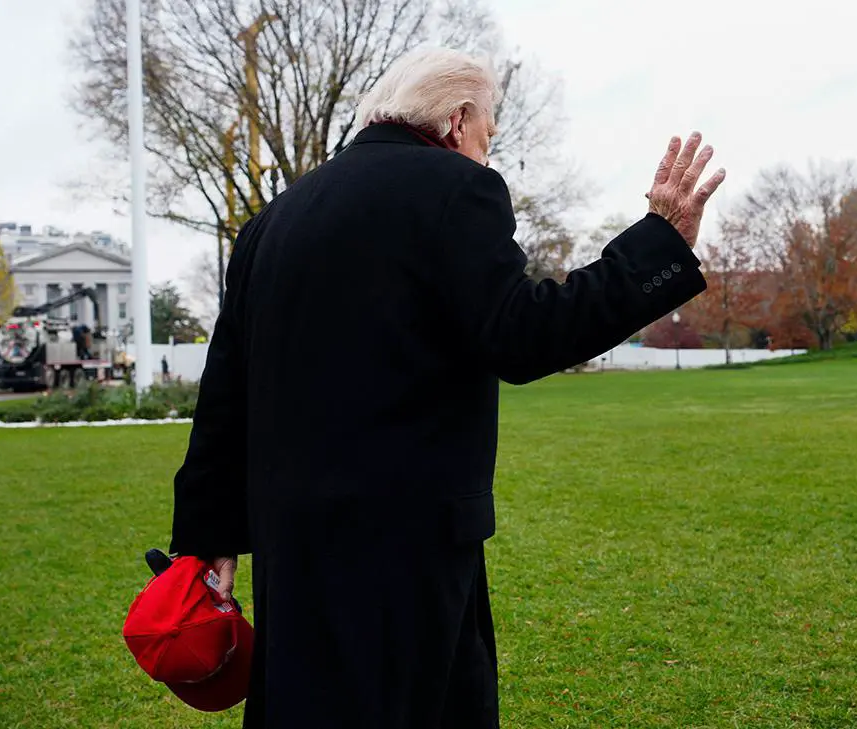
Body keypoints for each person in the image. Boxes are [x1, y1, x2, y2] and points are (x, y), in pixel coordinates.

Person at [167, 46, 725, 729]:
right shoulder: (455, 188)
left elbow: (225, 393)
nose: (488, 154)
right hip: (407, 555)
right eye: (489, 134)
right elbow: (522, 336)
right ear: (458, 120)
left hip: (295, 553)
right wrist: (661, 241)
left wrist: (208, 534)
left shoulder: (272, 222)